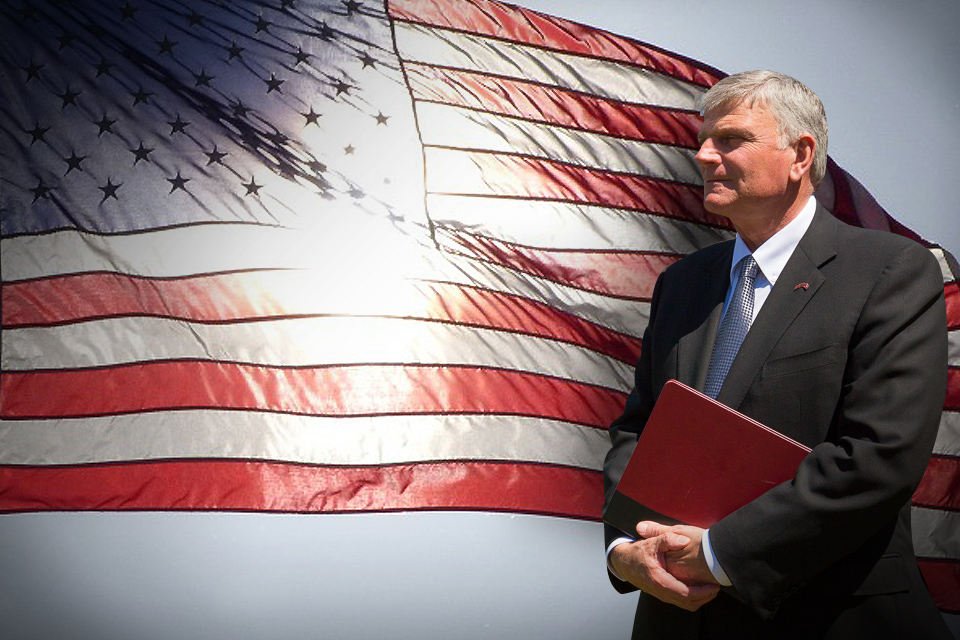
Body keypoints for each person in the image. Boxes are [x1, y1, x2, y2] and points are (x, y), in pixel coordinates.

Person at [602, 70, 950, 639]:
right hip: (678, 618)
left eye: (730, 140)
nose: (704, 156)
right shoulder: (683, 284)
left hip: (832, 614)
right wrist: (623, 546)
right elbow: (638, 430)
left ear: (800, 154)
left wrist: (719, 553)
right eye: (703, 140)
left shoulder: (889, 271)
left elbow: (879, 455)